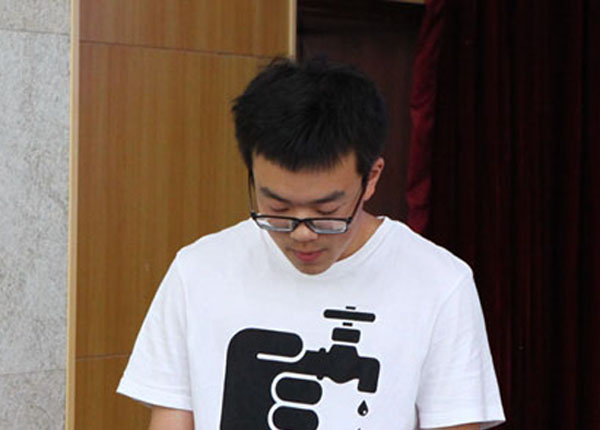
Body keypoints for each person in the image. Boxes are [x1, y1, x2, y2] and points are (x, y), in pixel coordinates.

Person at [117, 58, 505, 430]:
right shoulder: (199, 270)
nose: (302, 232)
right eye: (278, 208)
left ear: (371, 178)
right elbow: (171, 418)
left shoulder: (438, 282)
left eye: (326, 211)